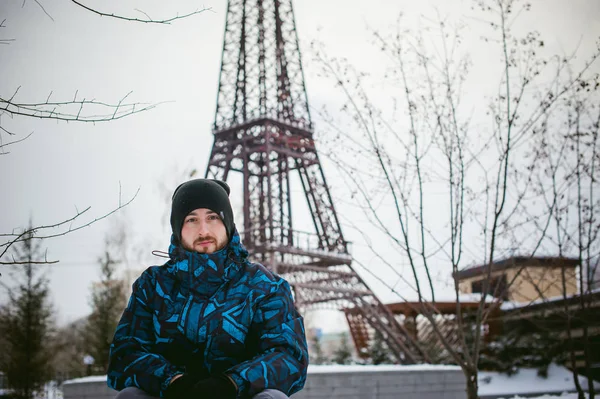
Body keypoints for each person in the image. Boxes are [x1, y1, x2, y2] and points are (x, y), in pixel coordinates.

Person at [107, 179, 309, 399]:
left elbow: (287, 355)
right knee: (130, 396)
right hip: (171, 397)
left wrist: (231, 383)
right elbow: (125, 353)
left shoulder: (265, 286)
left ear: (227, 223)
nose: (203, 230)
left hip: (239, 396)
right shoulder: (153, 285)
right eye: (191, 220)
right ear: (178, 228)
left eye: (213, 217)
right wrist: (173, 382)